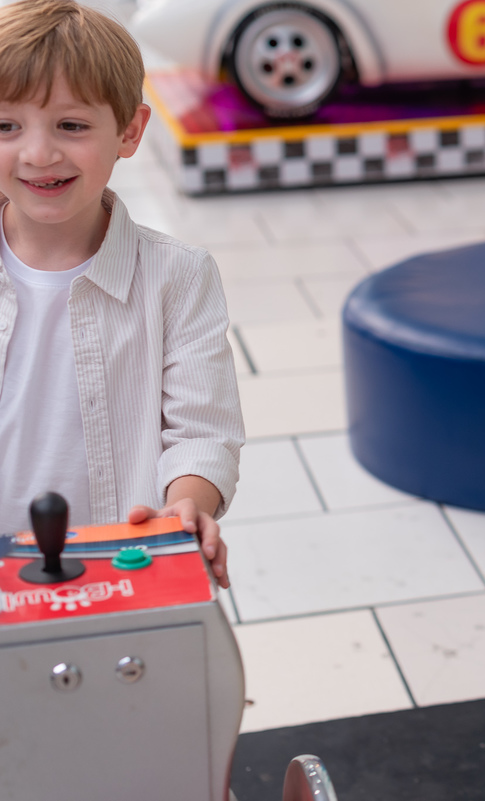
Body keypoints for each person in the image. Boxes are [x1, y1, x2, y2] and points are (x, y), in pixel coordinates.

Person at [0, 0, 242, 588]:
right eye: (6, 126)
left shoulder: (179, 276)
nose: (38, 153)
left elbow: (202, 433)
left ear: (129, 131)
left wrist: (186, 505)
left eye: (72, 125)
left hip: (127, 569)